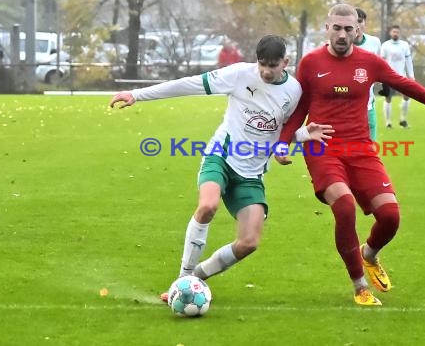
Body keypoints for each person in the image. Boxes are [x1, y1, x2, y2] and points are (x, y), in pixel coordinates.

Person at [109, 35, 333, 302]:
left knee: (249, 243)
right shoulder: (239, 75)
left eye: (272, 65)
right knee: (207, 206)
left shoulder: (293, 91)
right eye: (262, 64)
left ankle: (197, 278)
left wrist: (303, 135)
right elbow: (189, 84)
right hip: (221, 157)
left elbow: (277, 133)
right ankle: (183, 278)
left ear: (285, 62)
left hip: (251, 175)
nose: (265, 71)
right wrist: (136, 94)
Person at [275, 4, 425, 306]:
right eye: (337, 28)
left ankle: (369, 254)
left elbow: (408, 85)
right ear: (327, 28)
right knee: (343, 207)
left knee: (390, 217)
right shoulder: (311, 62)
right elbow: (300, 108)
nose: (343, 34)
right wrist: (283, 142)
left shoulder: (369, 62)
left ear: (358, 30)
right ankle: (359, 285)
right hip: (322, 147)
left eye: (348, 28)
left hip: (361, 148)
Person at [380, 25, 415, 128]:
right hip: (388, 77)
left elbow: (408, 61)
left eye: (397, 32)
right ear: (390, 33)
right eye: (394, 32)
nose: (395, 34)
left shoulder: (404, 45)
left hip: (401, 76)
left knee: (407, 96)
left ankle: (403, 119)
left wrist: (411, 75)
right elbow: (381, 61)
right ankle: (388, 122)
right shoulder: (385, 45)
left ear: (400, 33)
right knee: (388, 98)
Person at [354, 7, 382, 141]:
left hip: (368, 106)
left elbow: (380, 67)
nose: (357, 25)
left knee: (370, 149)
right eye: (354, 22)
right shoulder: (340, 46)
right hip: (345, 109)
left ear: (365, 23)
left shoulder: (374, 42)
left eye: (360, 21)